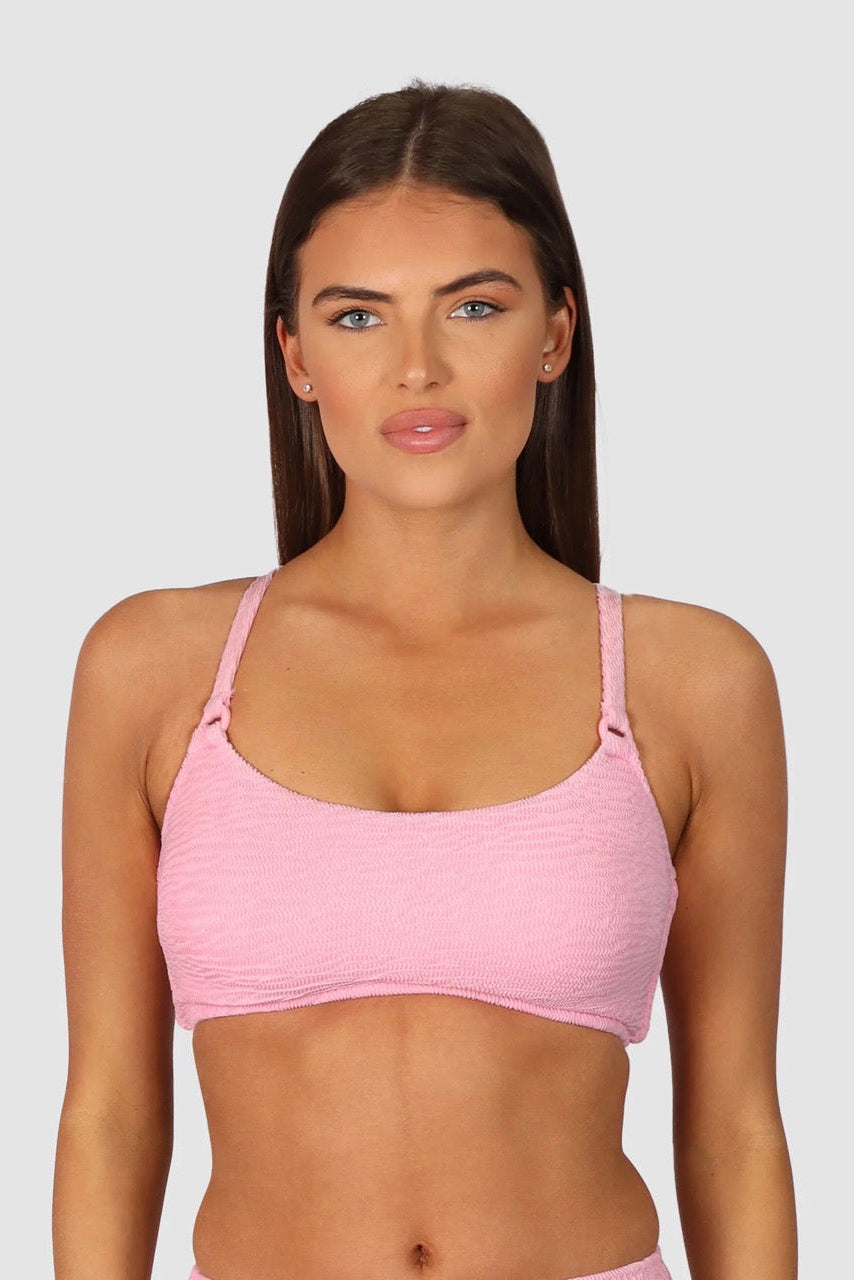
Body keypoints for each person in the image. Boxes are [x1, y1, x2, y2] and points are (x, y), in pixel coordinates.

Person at [52, 79, 797, 1280]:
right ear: (294, 355)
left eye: (473, 307)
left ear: (553, 334)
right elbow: (109, 1115)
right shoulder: (153, 669)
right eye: (357, 316)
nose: (416, 368)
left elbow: (733, 1128)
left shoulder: (692, 682)